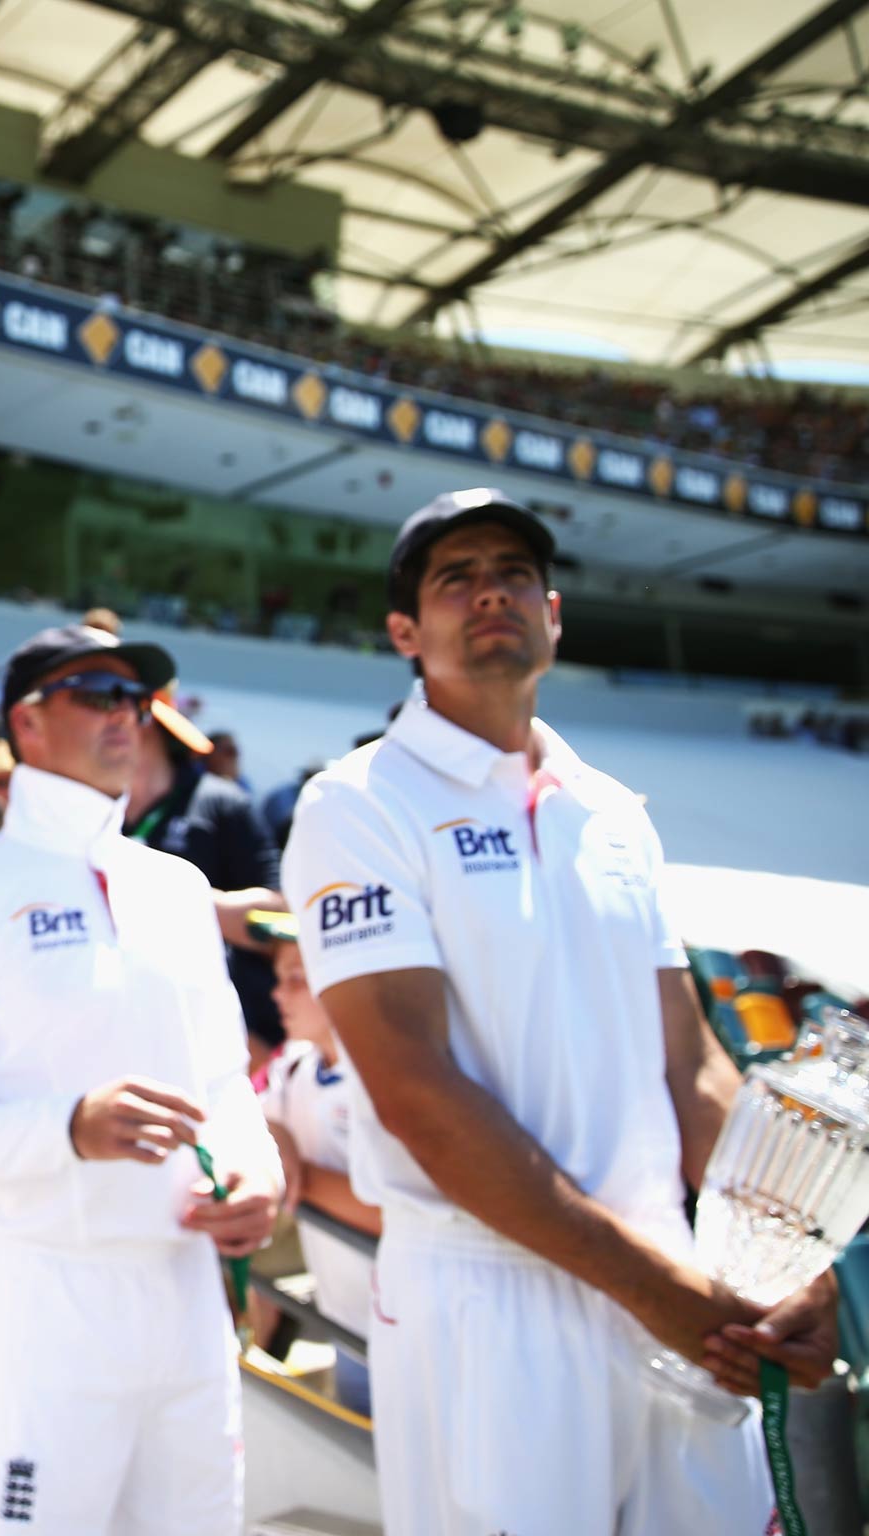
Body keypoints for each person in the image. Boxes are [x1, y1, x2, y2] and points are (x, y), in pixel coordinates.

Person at [282, 488, 835, 1535]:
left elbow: (692, 1066)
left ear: (553, 613)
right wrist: (652, 1284)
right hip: (489, 1300)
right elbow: (416, 1096)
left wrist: (790, 1267)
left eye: (513, 572)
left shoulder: (613, 812)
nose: (490, 590)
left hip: (676, 1291)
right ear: (404, 633)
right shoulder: (356, 804)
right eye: (454, 577)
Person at [0, 623, 282, 1535]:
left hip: (185, 1299)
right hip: (35, 1306)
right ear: (26, 720)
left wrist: (260, 1171)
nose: (124, 716)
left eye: (137, 700)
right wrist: (68, 1127)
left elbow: (224, 1082)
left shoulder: (178, 888)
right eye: (96, 692)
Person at [249, 909, 377, 1412]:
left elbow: (397, 1212)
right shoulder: (297, 1064)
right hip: (347, 1325)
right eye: (280, 978)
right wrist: (271, 1135)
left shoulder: (383, 1077)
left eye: (297, 979)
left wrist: (294, 1173)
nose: (278, 994)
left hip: (412, 1336)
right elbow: (252, 1123)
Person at [126, 684, 288, 1067]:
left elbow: (280, 916)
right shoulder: (93, 806)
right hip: (128, 1016)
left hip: (220, 1023)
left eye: (125, 712)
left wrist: (164, 894)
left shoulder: (221, 801)